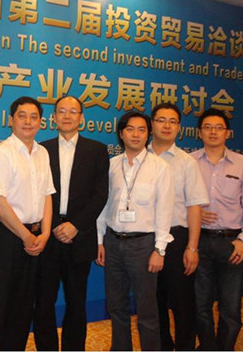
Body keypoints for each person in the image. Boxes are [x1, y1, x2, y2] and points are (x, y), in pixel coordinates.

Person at [34, 95, 109, 351]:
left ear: (81, 118)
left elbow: (100, 195)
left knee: (77, 303)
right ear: (53, 117)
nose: (67, 116)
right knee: (43, 302)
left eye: (73, 111)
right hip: (48, 235)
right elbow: (36, 192)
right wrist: (54, 225)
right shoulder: (41, 149)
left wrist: (75, 225)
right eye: (62, 111)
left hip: (80, 237)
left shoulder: (97, 150)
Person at [0, 96, 56, 351]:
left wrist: (45, 233)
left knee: (24, 305)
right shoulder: (1, 153)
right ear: (11, 120)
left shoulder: (42, 152)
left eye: (34, 117)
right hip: (6, 237)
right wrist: (26, 236)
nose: (28, 121)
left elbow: (47, 194)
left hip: (35, 236)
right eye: (22, 116)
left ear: (41, 122)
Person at [96, 111, 174, 351]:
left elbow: (164, 210)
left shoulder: (160, 167)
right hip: (112, 242)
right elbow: (103, 206)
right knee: (116, 306)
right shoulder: (111, 165)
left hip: (143, 245)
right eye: (130, 129)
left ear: (148, 134)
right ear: (121, 133)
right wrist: (99, 241)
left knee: (147, 309)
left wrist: (159, 250)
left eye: (142, 130)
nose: (136, 134)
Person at [191, 107, 243, 351]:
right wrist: (194, 214)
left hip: (232, 243)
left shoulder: (242, 163)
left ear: (228, 133)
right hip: (199, 241)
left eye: (218, 127)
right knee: (200, 304)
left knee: (230, 306)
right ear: (199, 132)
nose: (213, 132)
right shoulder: (189, 162)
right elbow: (177, 201)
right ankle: (207, 347)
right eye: (207, 127)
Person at [150, 103, 209, 351]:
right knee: (153, 302)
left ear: (179, 128)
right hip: (146, 238)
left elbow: (194, 207)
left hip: (177, 238)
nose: (166, 125)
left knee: (182, 302)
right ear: (151, 124)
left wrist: (192, 247)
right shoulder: (139, 157)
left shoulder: (186, 162)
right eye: (161, 120)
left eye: (172, 121)